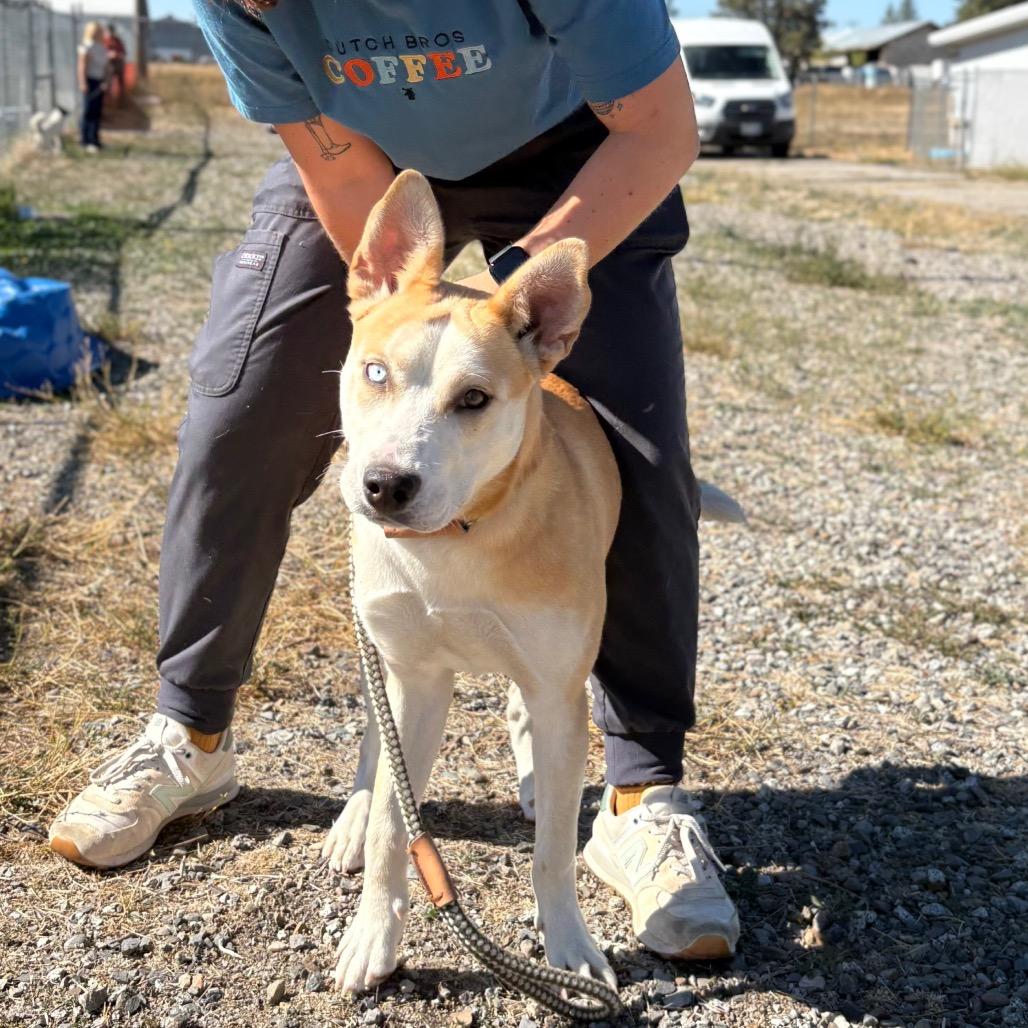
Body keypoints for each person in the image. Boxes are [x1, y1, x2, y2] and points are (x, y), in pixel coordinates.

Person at [49, 0, 740, 963]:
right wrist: (402, 308)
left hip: (580, 150)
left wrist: (505, 317)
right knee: (239, 410)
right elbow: (346, 184)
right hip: (375, 164)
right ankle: (190, 734)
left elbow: (659, 128)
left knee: (642, 457)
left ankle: (638, 794)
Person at [77, 22, 108, 152]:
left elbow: (105, 66)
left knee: (97, 112)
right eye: (96, 31)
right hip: (90, 81)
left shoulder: (101, 47)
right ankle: (85, 140)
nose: (98, 33)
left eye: (99, 31)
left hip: (99, 81)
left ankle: (94, 139)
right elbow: (82, 66)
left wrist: (105, 81)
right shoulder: (86, 46)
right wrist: (83, 83)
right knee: (88, 111)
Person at [104, 24, 128, 106]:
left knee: (121, 84)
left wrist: (118, 55)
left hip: (118, 64)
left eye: (112, 31)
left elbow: (123, 52)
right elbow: (101, 53)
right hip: (109, 64)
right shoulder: (105, 40)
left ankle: (121, 102)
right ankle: (107, 102)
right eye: (109, 31)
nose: (110, 33)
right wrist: (109, 55)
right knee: (108, 83)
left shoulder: (118, 41)